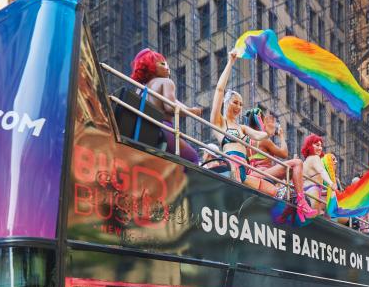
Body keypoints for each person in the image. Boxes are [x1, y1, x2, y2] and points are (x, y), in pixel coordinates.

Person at [129, 48, 201, 164]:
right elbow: (170, 107)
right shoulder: (166, 82)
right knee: (192, 157)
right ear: (150, 66)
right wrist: (193, 112)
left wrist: (191, 110)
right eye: (162, 64)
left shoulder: (140, 90)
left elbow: (175, 102)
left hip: (144, 132)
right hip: (163, 129)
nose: (167, 67)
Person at [242, 107, 316, 219]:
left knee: (293, 172)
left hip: (255, 175)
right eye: (265, 120)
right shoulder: (263, 140)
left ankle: (295, 197)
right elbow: (284, 153)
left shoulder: (246, 140)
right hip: (263, 174)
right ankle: (301, 202)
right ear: (261, 122)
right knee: (297, 163)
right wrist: (281, 136)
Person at [210, 49, 270, 187]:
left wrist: (267, 131)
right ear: (226, 102)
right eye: (235, 102)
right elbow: (219, 89)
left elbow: (259, 136)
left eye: (241, 104)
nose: (238, 107)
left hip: (245, 171)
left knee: (272, 190)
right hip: (231, 167)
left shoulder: (242, 128)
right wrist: (230, 62)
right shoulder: (219, 122)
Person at [300, 134, 337, 212]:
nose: (320, 148)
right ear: (310, 146)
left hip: (306, 192)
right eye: (317, 145)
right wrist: (331, 183)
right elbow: (322, 171)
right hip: (312, 191)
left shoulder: (306, 161)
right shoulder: (315, 157)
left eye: (321, 145)